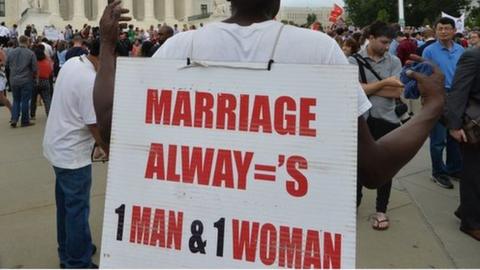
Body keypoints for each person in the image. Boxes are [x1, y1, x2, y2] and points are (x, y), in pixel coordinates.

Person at [94, 0, 445, 195]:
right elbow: (372, 169)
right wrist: (432, 108)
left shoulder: (177, 47)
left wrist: (107, 45)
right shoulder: (319, 50)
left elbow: (112, 133)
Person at [43, 39, 105, 269]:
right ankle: (78, 262)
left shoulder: (73, 63)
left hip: (57, 147)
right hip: (72, 155)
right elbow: (94, 125)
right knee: (78, 209)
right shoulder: (90, 81)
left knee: (67, 207)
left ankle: (69, 250)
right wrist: (105, 147)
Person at [349, 21, 403, 230]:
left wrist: (366, 88)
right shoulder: (352, 61)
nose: (386, 46)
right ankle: (354, 203)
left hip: (387, 119)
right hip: (361, 120)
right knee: (357, 165)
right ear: (370, 37)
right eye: (383, 42)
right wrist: (383, 83)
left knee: (384, 167)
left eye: (389, 43)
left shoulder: (394, 61)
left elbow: (396, 92)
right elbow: (352, 90)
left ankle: (381, 209)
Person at [422, 17, 464, 189]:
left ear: (454, 31)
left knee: (455, 135)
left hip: (457, 97)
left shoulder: (461, 50)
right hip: (437, 95)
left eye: (447, 28)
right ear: (435, 31)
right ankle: (438, 172)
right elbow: (424, 76)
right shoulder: (429, 51)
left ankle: (454, 168)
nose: (444, 31)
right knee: (438, 139)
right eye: (440, 28)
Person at [445, 47, 480, 241]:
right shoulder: (472, 56)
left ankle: (465, 210)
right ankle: (471, 223)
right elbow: (458, 91)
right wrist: (454, 126)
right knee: (474, 175)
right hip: (474, 127)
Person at [6, 35, 37, 128]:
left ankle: (14, 119)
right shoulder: (30, 53)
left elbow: (7, 66)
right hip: (26, 79)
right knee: (25, 100)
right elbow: (34, 68)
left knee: (16, 100)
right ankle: (25, 121)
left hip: (14, 79)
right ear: (27, 42)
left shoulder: (11, 53)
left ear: (19, 41)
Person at [30, 44, 52, 119]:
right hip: (45, 80)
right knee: (47, 99)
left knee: (33, 99)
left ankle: (32, 115)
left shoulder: (34, 62)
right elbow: (50, 71)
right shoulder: (47, 61)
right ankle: (49, 114)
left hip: (35, 81)